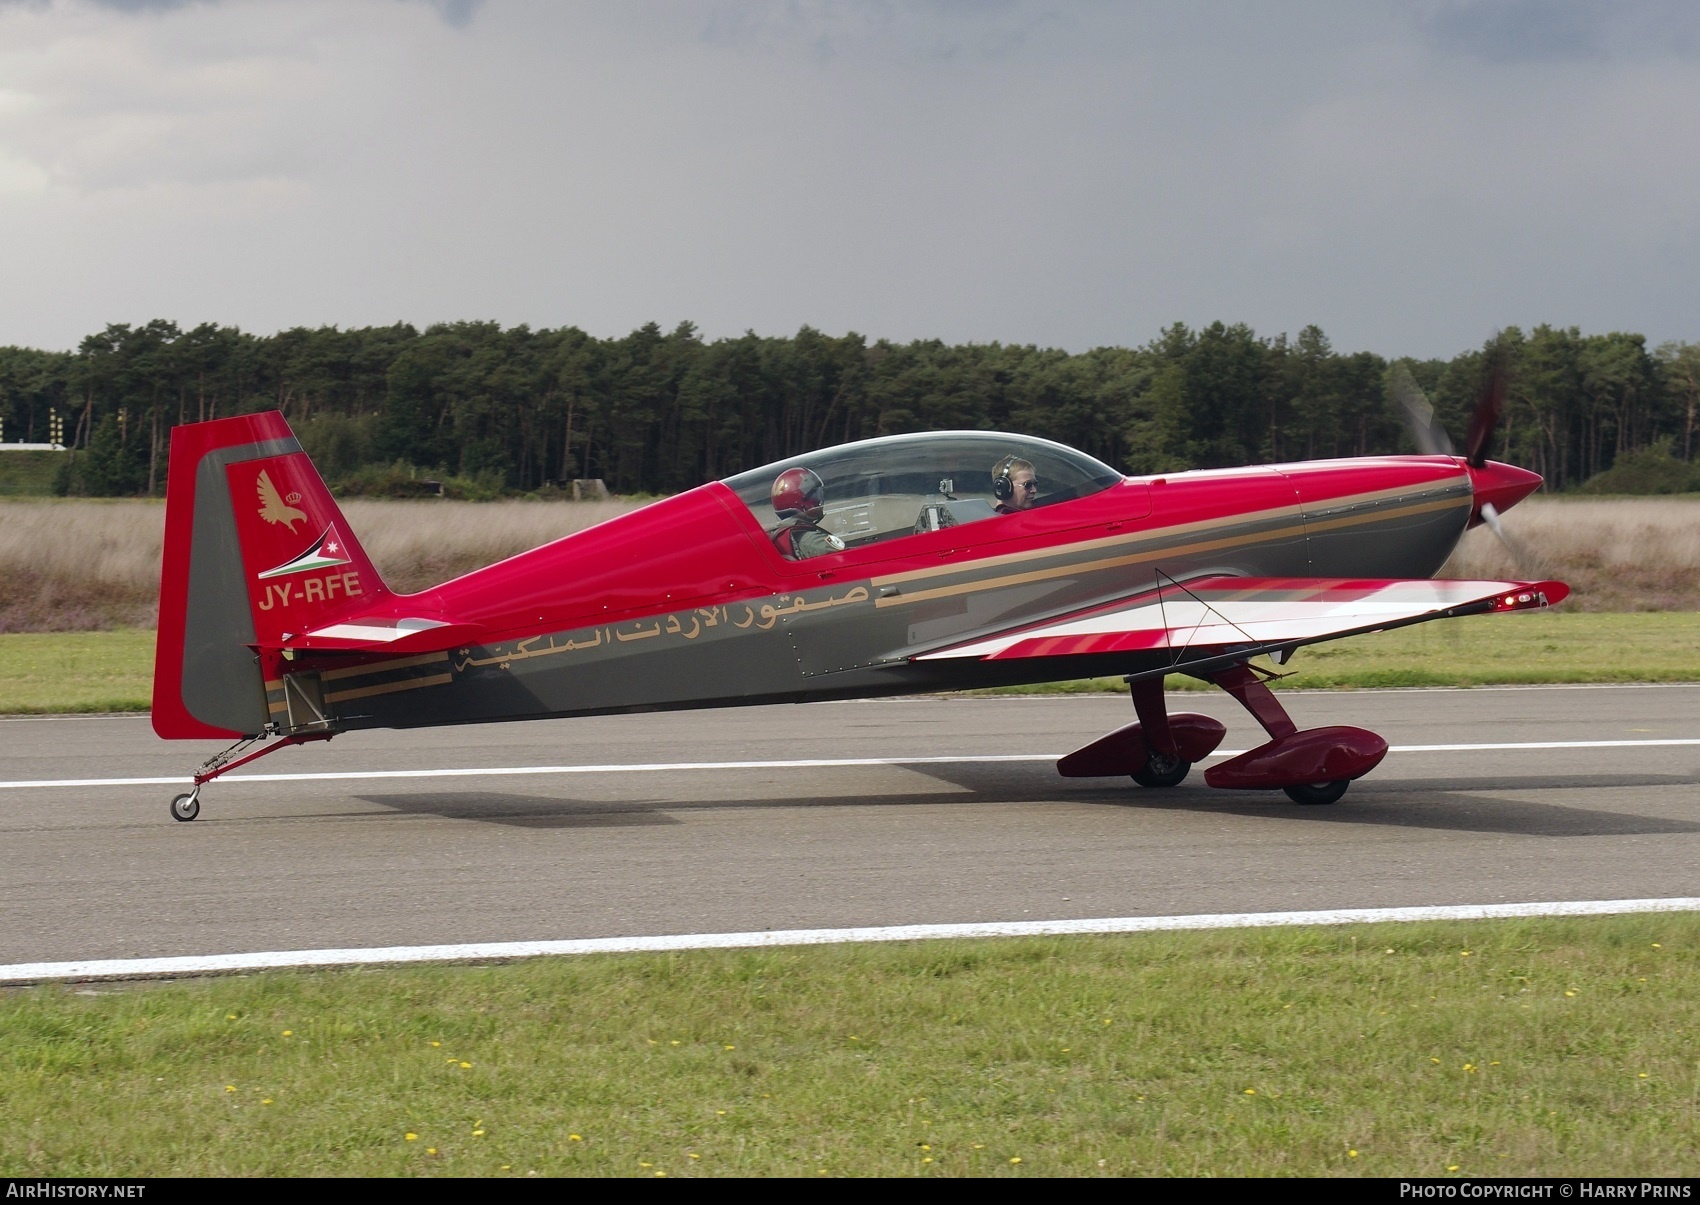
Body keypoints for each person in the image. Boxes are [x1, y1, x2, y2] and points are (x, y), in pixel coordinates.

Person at [769, 466, 845, 558]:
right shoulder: (816, 542)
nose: (819, 499)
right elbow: (845, 560)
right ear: (800, 501)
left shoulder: (779, 537)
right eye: (815, 495)